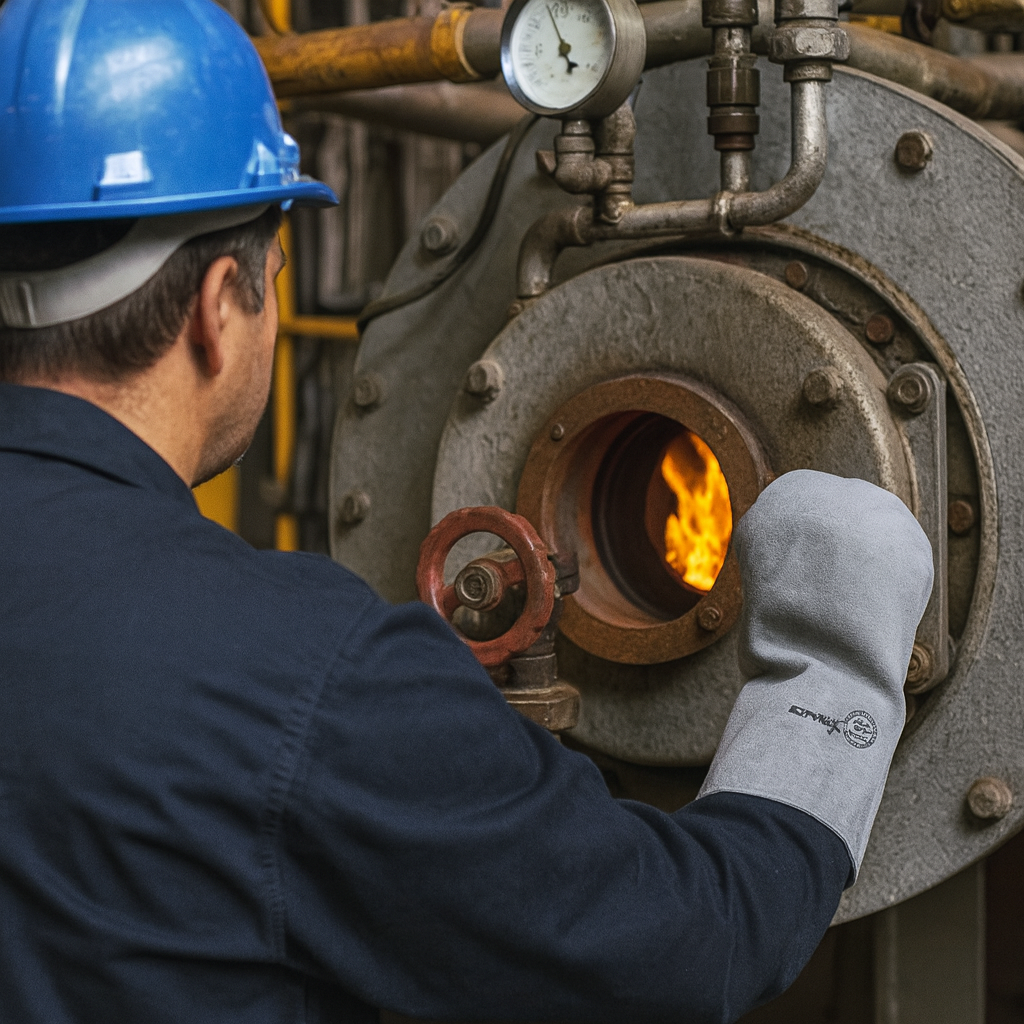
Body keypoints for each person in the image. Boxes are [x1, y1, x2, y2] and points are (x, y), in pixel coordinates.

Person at [0, 1, 933, 1022]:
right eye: (273, 273)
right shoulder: (299, 679)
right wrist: (829, 666)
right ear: (219, 305)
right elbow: (678, 948)